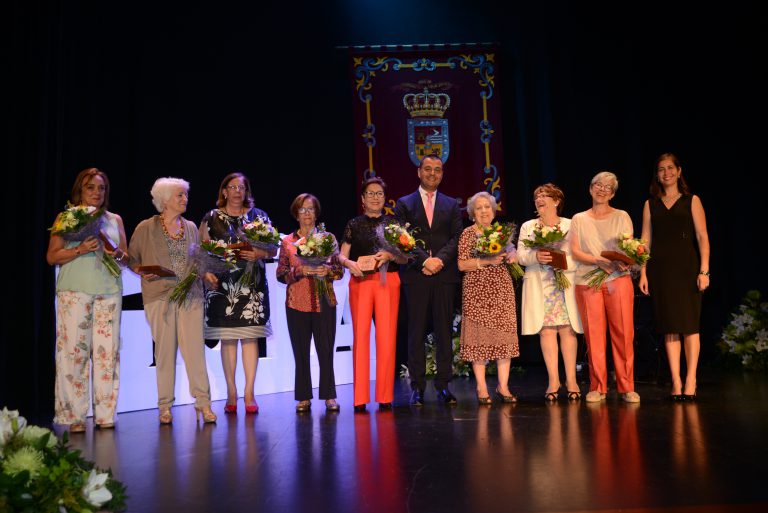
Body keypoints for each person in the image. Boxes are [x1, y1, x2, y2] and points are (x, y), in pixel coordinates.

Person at [128, 177, 217, 424]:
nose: (185, 199)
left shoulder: (190, 227)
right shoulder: (145, 227)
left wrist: (207, 274)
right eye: (180, 195)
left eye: (185, 195)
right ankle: (164, 406)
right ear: (165, 199)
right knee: (165, 353)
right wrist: (142, 270)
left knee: (195, 352)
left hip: (191, 296)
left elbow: (198, 260)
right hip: (160, 296)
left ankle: (203, 403)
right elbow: (132, 259)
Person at [47, 168, 128, 432]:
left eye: (101, 188)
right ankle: (75, 418)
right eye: (91, 187)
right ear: (80, 191)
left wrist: (114, 253)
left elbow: (125, 258)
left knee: (107, 355)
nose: (96, 192)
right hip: (74, 291)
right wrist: (81, 249)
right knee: (74, 354)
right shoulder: (66, 217)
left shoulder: (114, 220)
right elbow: (52, 257)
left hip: (108, 291)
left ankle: (105, 415)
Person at [200, 172, 275, 414]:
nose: (237, 191)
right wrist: (205, 274)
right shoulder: (211, 218)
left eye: (241, 187)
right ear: (224, 191)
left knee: (250, 338)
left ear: (246, 191)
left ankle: (249, 392)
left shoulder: (259, 216)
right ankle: (231, 392)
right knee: (228, 338)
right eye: (232, 187)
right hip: (222, 288)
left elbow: (274, 249)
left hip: (252, 286)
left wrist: (260, 254)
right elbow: (201, 253)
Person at [639, 153, 710, 400]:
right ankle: (676, 381)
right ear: (657, 175)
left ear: (679, 171)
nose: (666, 173)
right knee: (669, 327)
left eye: (670, 168)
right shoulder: (650, 204)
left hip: (687, 269)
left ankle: (691, 379)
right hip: (661, 271)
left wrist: (704, 270)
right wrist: (643, 272)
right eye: (661, 169)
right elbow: (645, 242)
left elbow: (702, 237)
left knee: (689, 327)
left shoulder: (692, 200)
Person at [394, 154, 463, 406]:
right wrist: (425, 260)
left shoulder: (452, 204)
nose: (432, 173)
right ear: (419, 172)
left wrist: (439, 260)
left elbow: (457, 237)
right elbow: (401, 237)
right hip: (417, 276)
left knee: (445, 331)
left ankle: (444, 385)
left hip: (444, 276)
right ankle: (418, 387)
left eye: (437, 170)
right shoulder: (404, 203)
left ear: (442, 174)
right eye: (428, 169)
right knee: (416, 332)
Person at [570, 171, 640, 403]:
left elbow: (628, 246)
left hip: (617, 280)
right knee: (594, 337)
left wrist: (623, 260)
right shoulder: (579, 218)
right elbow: (576, 251)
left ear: (612, 193)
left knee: (623, 334)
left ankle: (626, 386)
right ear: (590, 189)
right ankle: (598, 386)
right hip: (587, 281)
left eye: (608, 187)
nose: (602, 189)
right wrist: (599, 261)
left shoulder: (621, 216)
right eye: (598, 185)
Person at [339, 177, 406, 412]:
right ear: (362, 199)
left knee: (387, 338)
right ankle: (359, 398)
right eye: (370, 193)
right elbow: (341, 255)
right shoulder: (354, 224)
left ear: (384, 198)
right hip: (361, 282)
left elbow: (405, 256)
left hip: (389, 281)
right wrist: (349, 264)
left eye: (379, 193)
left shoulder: (394, 223)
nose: (375, 197)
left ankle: (385, 395)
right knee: (361, 338)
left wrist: (390, 255)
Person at [277, 193, 344, 412]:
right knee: (301, 351)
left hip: (324, 300)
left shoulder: (328, 239)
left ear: (317, 213)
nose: (307, 213)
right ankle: (303, 396)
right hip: (297, 302)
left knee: (326, 350)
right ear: (296, 214)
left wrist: (328, 270)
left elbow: (339, 270)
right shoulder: (288, 242)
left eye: (311, 209)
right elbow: (281, 273)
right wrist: (299, 270)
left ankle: (329, 396)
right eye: (302, 210)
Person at [517, 183, 583, 401]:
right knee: (546, 332)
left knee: (567, 330)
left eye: (545, 195)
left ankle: (571, 379)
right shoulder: (529, 226)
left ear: (556, 201)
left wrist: (562, 262)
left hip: (564, 284)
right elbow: (521, 256)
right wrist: (536, 257)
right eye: (537, 196)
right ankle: (553, 380)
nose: (540, 199)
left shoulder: (570, 224)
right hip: (540, 284)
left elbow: (578, 255)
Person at [456, 192, 520, 404]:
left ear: (493, 211)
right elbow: (461, 264)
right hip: (477, 290)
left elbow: (512, 252)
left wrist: (513, 255)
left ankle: (503, 386)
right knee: (479, 338)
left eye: (487, 207)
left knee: (504, 337)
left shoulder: (500, 233)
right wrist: (487, 262)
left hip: (501, 289)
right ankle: (481, 386)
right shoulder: (467, 234)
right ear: (473, 213)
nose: (484, 211)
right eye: (479, 208)